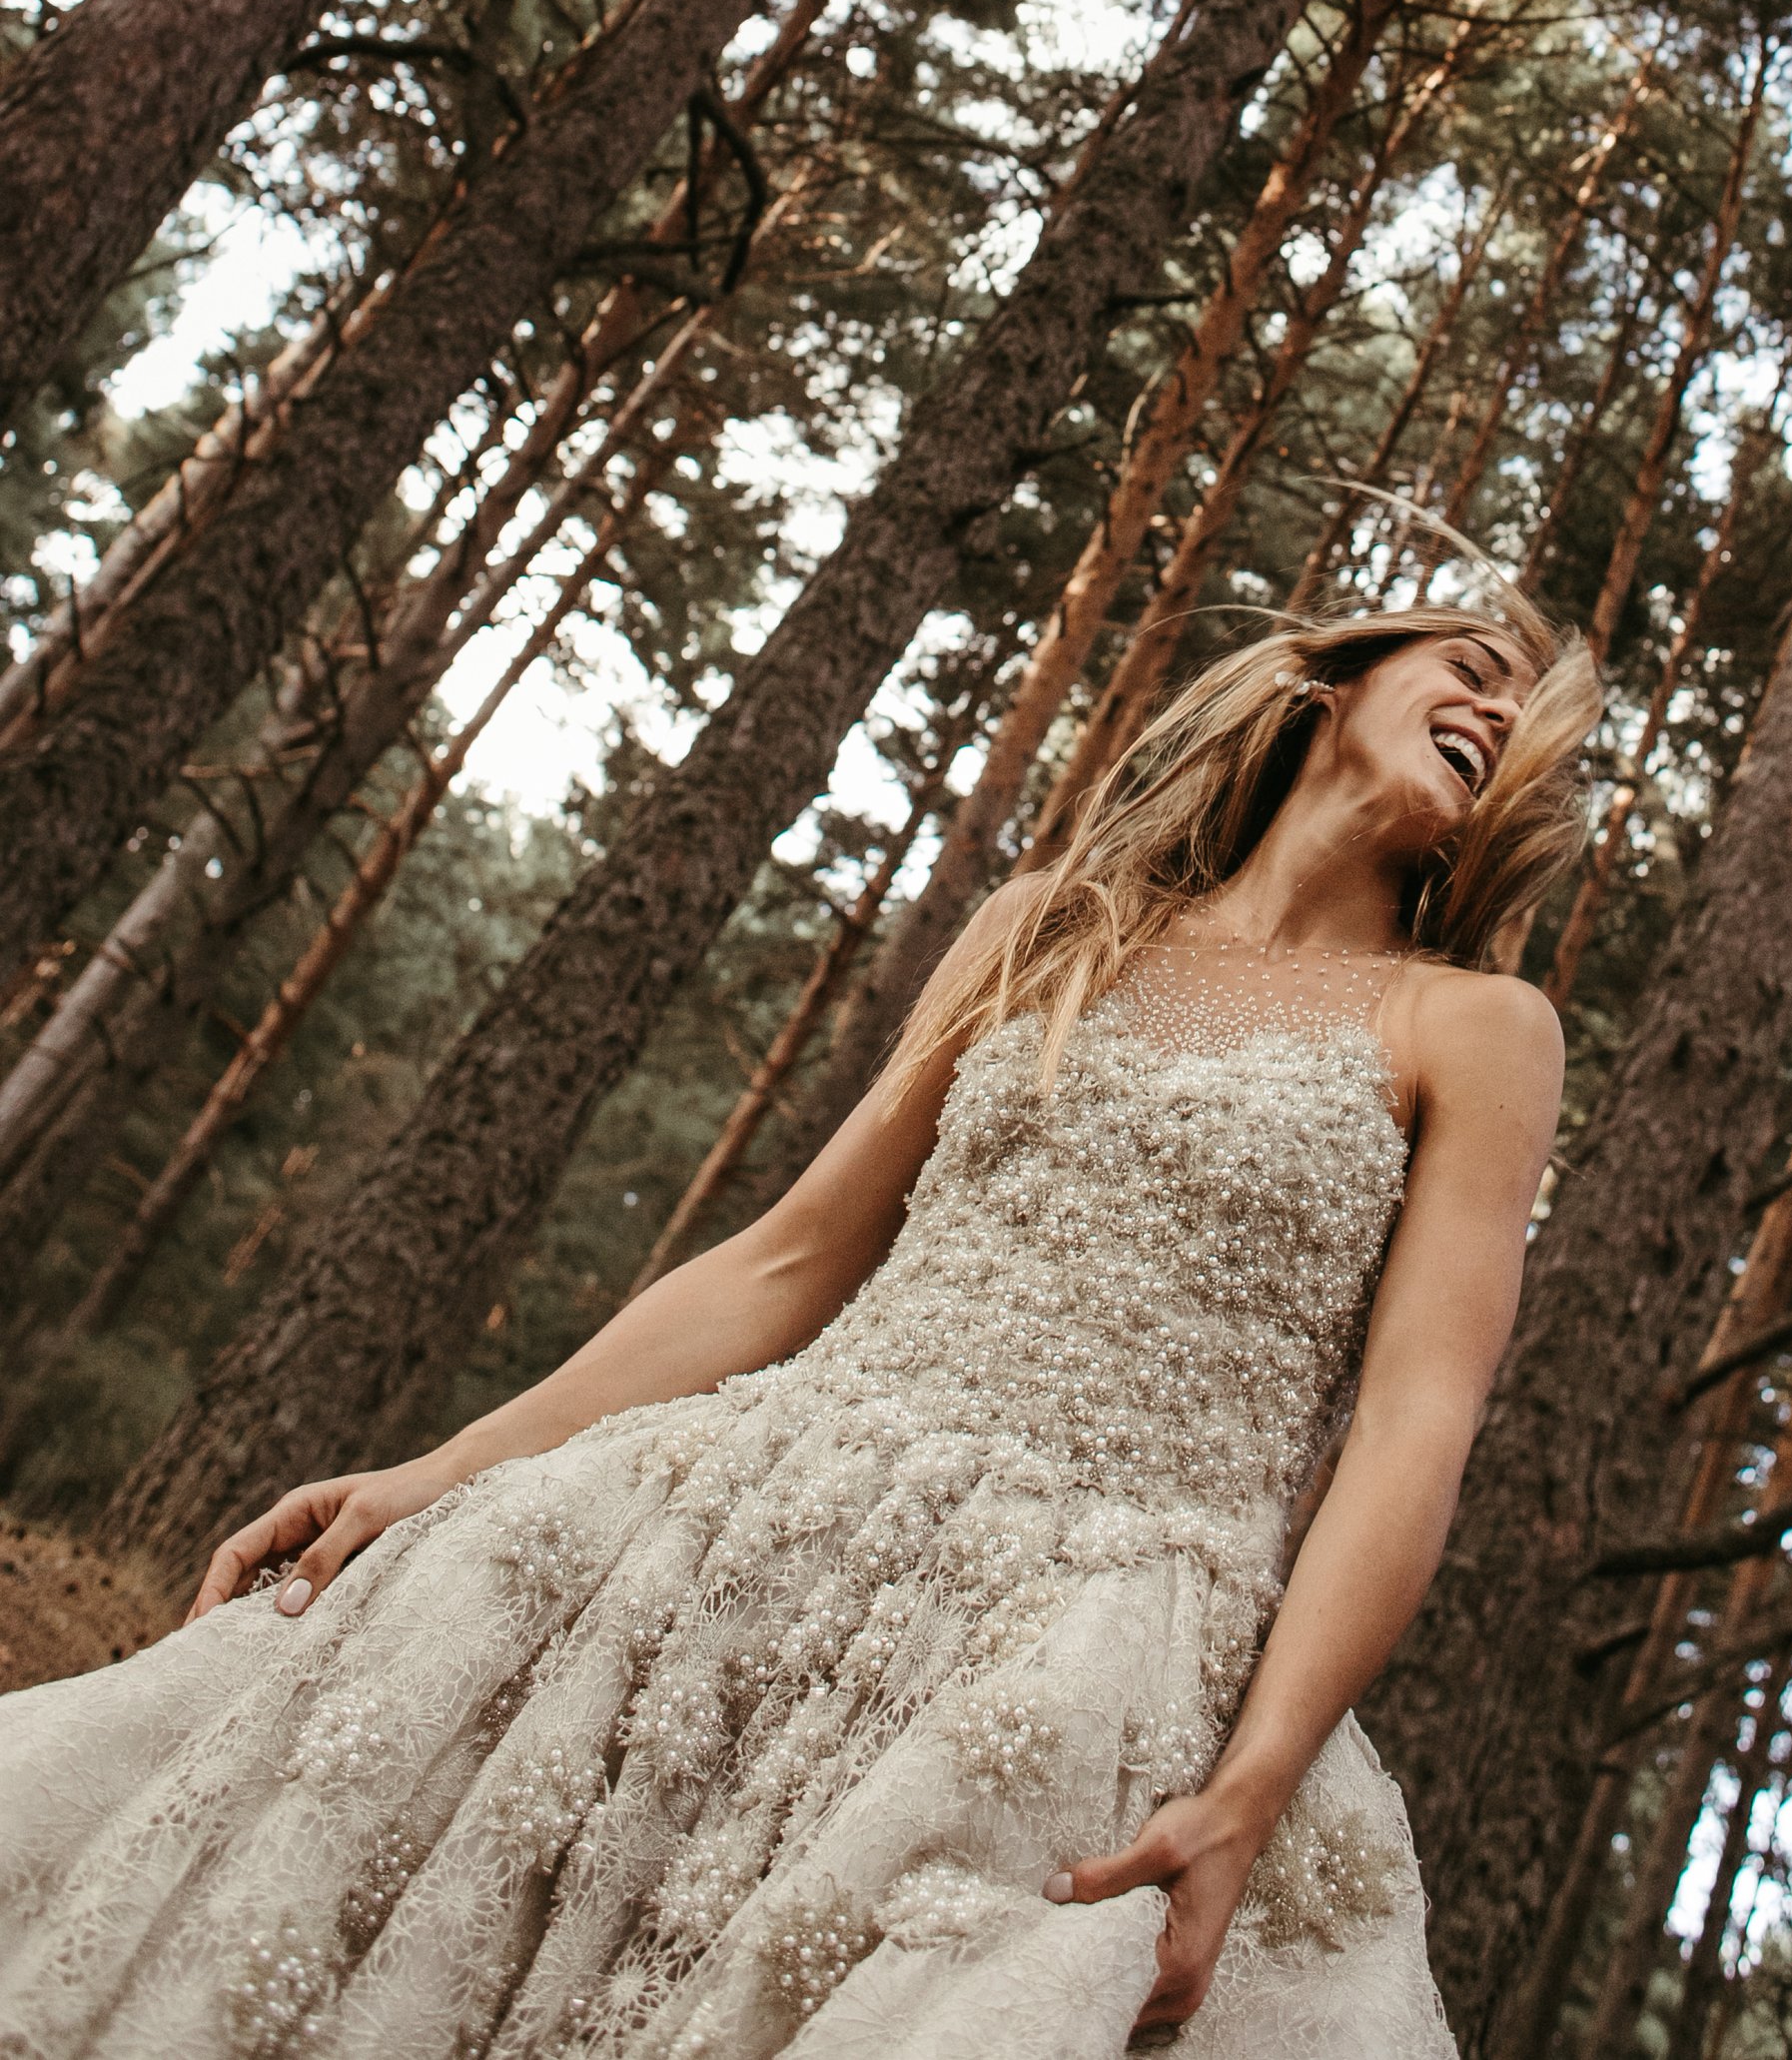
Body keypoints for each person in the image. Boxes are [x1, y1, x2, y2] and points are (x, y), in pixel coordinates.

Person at [0, 590, 1599, 2057]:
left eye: (1524, 719)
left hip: (1080, 1658)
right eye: (1470, 667)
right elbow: (788, 1259)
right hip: (750, 1537)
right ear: (1331, 681)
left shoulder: (1473, 1029)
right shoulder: (1050, 925)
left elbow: (1414, 1423)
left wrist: (1253, 1780)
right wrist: (438, 1468)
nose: (1494, 710)